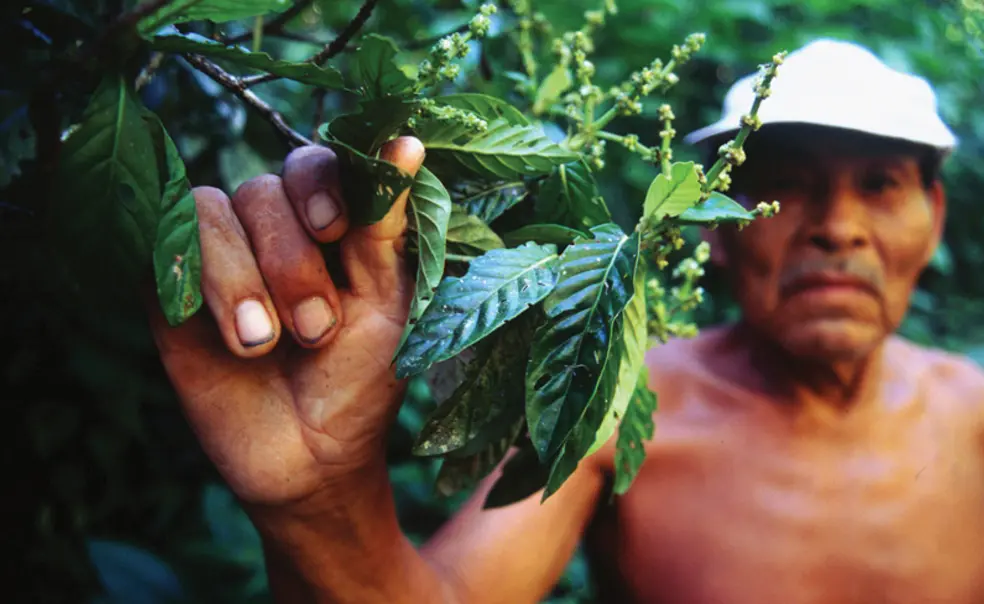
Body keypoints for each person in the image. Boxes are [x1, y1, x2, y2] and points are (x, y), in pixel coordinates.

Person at [147, 38, 984, 603]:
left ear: (934, 217)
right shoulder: (616, 405)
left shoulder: (976, 419)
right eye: (787, 185)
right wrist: (322, 508)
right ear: (713, 221)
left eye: (879, 184)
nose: (838, 227)